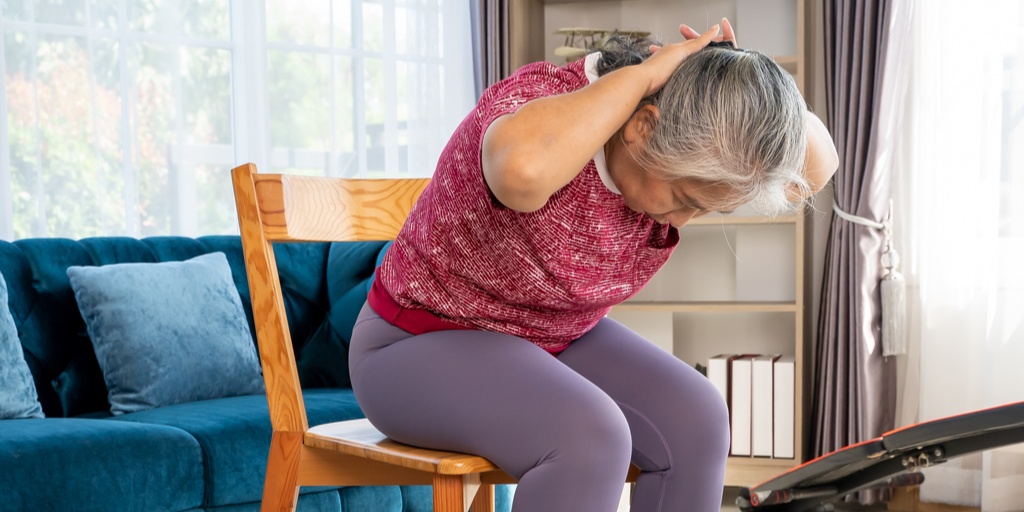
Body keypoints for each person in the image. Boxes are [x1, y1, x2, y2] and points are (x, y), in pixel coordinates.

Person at [349, 19, 838, 512]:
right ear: (642, 127)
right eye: (683, 198)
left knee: (698, 417)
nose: (684, 220)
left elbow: (820, 166)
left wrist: (742, 76)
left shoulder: (676, 140)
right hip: (413, 344)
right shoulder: (545, 102)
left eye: (705, 210)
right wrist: (645, 75)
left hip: (553, 339)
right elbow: (520, 173)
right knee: (590, 436)